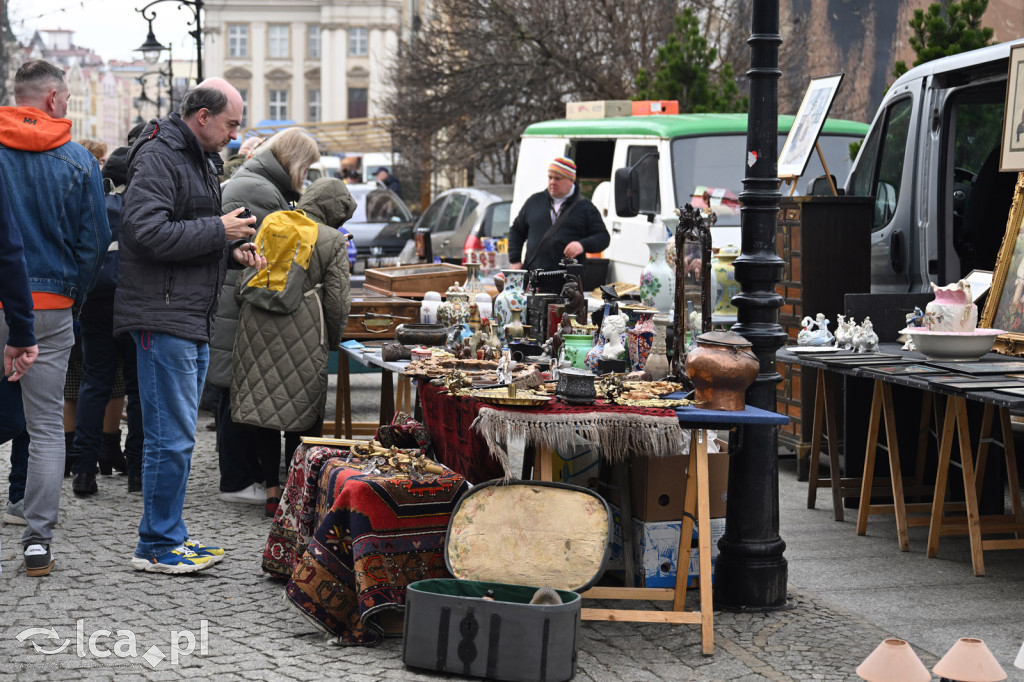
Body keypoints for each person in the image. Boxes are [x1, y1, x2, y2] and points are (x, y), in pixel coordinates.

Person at [115, 78, 264, 574]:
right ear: (202, 116)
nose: (234, 135)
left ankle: (169, 537)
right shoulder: (160, 155)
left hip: (187, 315)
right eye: (230, 124)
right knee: (170, 438)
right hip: (164, 316)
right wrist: (218, 230)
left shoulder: (199, 158)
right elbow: (145, 232)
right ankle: (156, 545)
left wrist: (230, 251)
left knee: (176, 437)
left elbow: (186, 236)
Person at [0, 60, 110, 577]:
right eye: (65, 98)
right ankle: (37, 540)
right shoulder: (79, 161)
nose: (66, 106)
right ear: (50, 100)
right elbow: (93, 244)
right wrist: (75, 297)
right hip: (50, 306)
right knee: (45, 427)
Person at [209, 127, 319, 514]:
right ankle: (238, 480)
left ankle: (240, 476)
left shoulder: (256, 181)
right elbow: (275, 253)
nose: (305, 177)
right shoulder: (261, 190)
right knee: (239, 390)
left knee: (234, 387)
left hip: (231, 297)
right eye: (305, 168)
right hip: (238, 302)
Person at [230, 177, 353, 517]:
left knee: (266, 410)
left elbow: (247, 274)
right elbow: (337, 301)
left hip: (257, 327)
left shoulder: (273, 223)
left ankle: (271, 490)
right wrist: (333, 337)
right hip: (304, 329)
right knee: (304, 412)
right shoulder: (332, 240)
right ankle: (297, 494)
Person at [68, 146, 143, 496]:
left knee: (94, 385)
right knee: (138, 389)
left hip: (96, 305)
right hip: (135, 306)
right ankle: (138, 471)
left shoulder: (94, 206)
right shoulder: (141, 209)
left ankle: (84, 471)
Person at [507, 156, 609, 272]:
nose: (552, 182)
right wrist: (515, 260)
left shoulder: (585, 208)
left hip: (569, 280)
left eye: (557, 178)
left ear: (571, 180)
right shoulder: (534, 202)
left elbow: (603, 237)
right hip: (535, 277)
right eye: (550, 177)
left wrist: (582, 245)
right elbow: (516, 230)